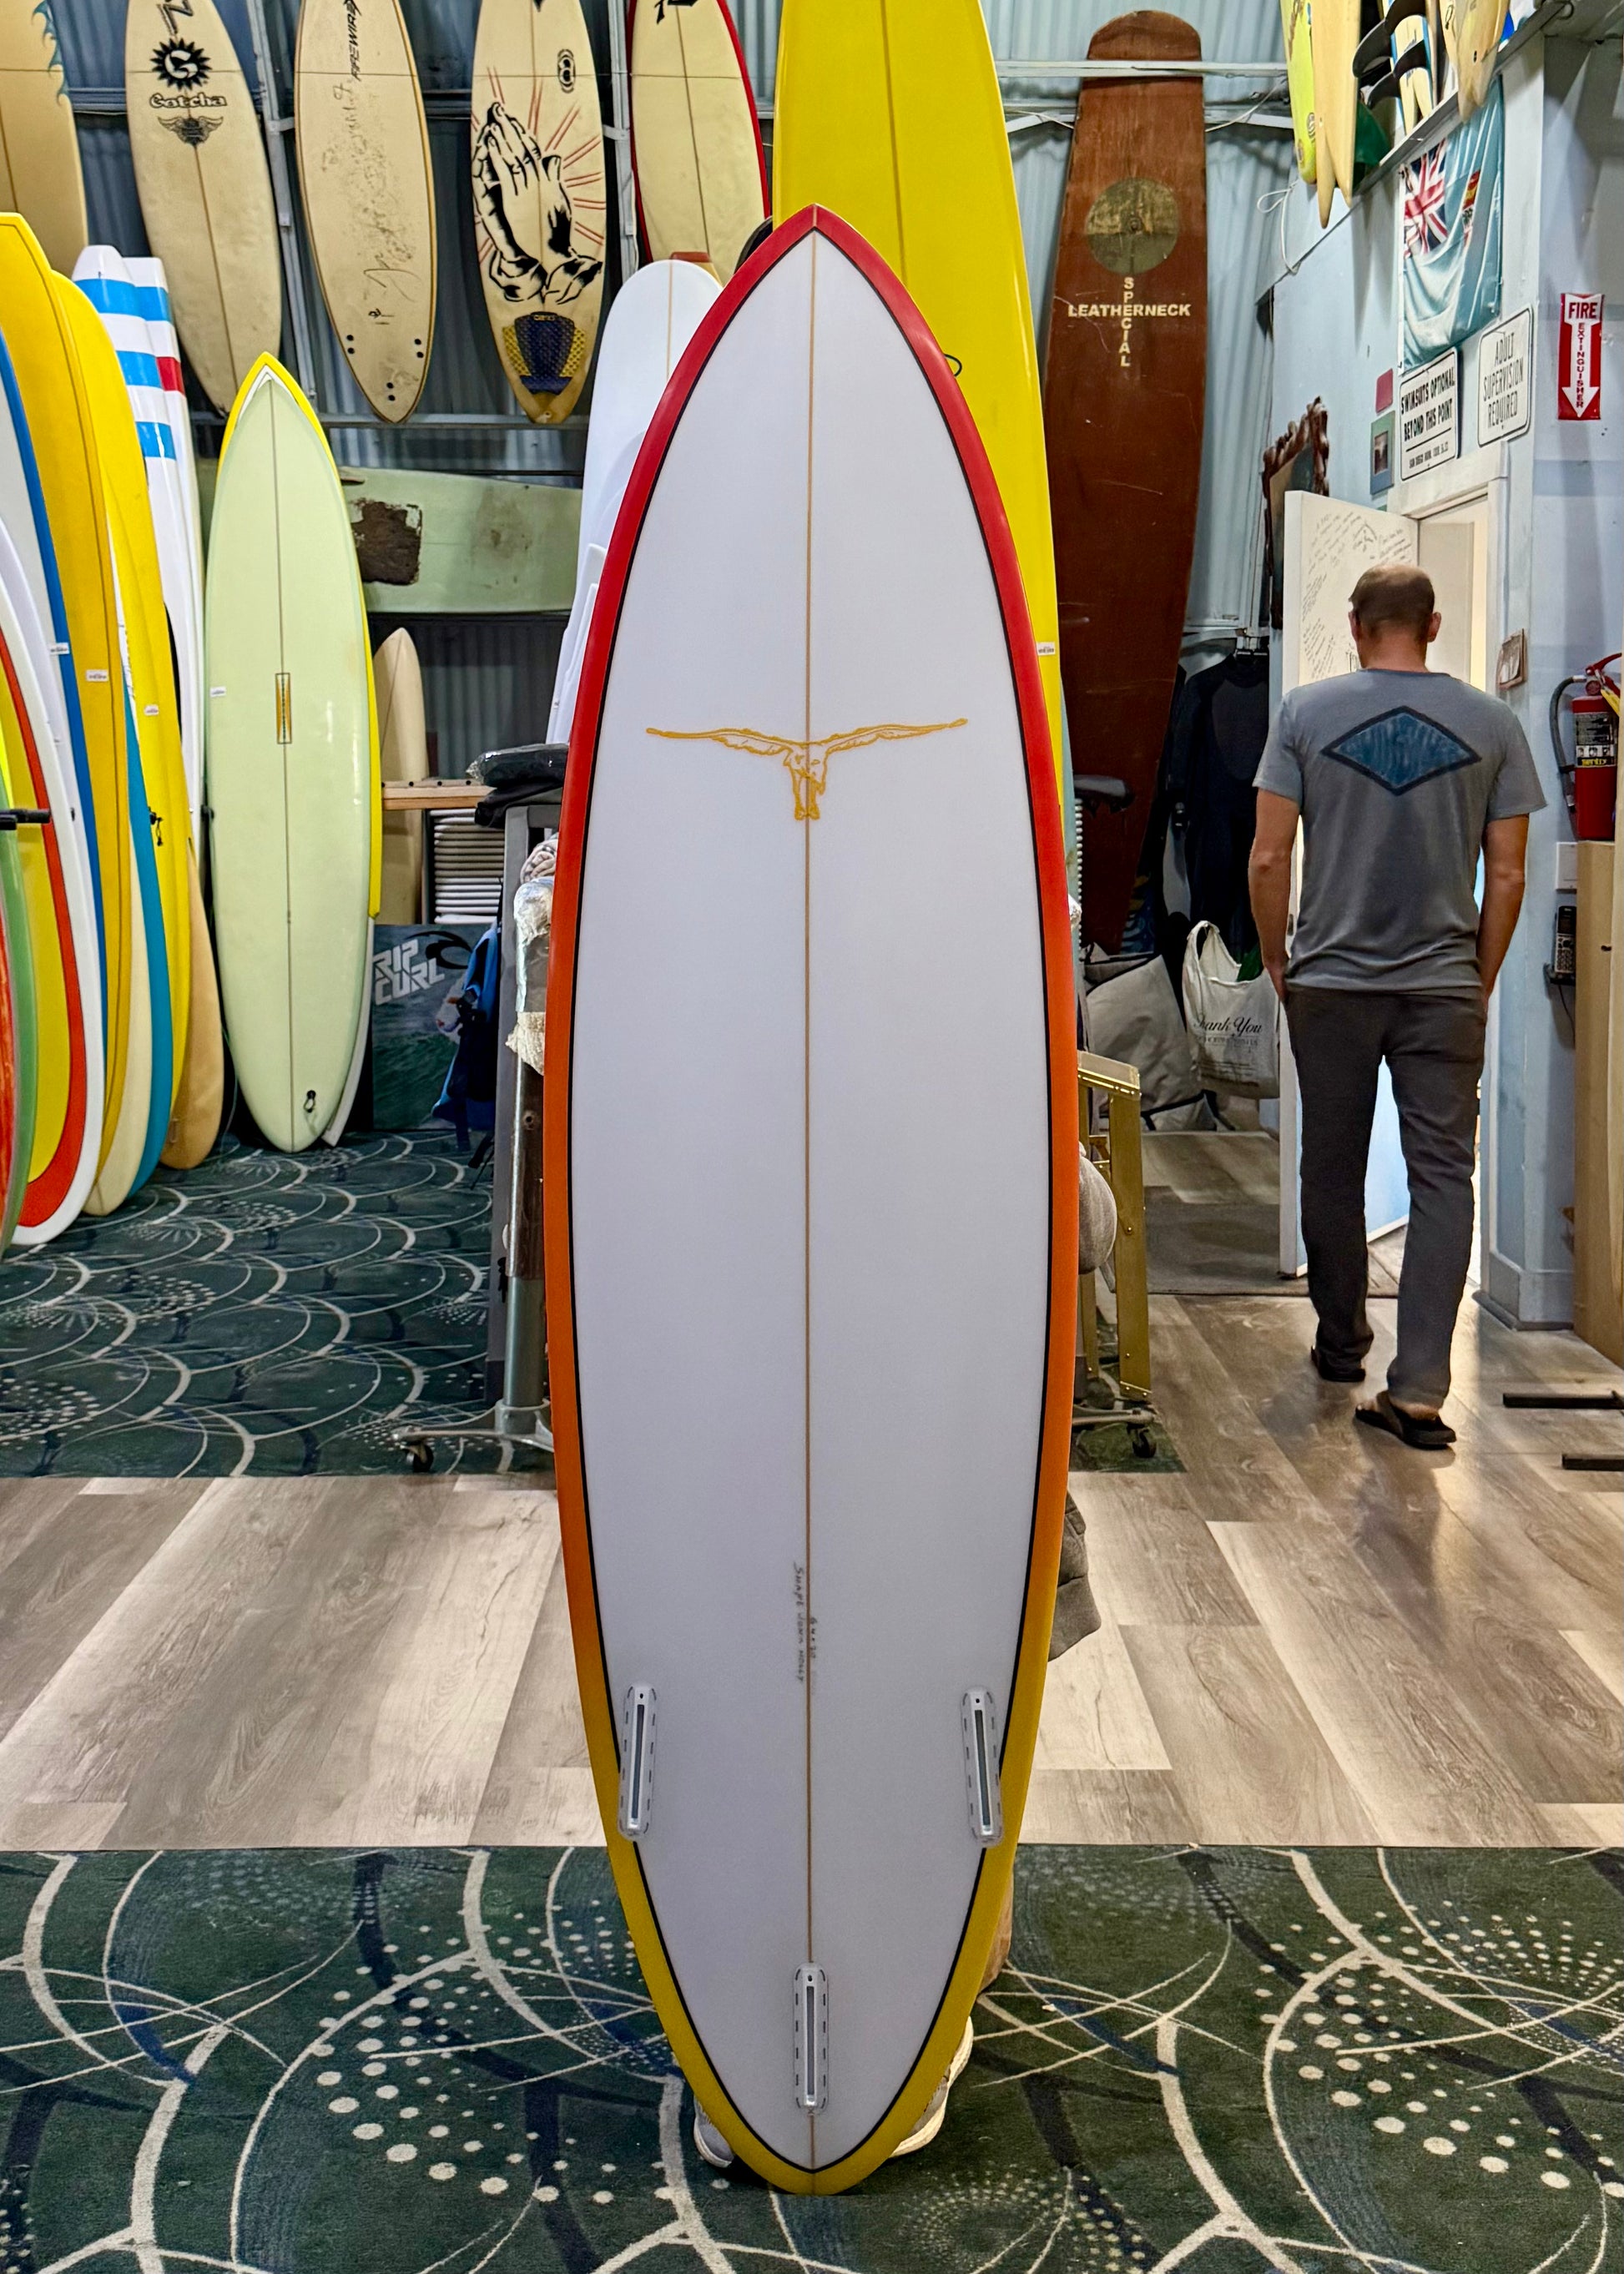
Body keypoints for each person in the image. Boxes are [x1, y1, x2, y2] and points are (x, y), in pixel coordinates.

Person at [1248, 562, 1545, 1448]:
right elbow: (1511, 870)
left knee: (1329, 1168)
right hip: (1443, 985)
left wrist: (1274, 954)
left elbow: (1267, 858)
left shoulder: (1303, 713)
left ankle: (1340, 1345)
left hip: (1330, 983)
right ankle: (1418, 1387)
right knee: (1444, 1176)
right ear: (1433, 622)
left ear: (1352, 625)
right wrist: (1477, 974)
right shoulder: (1491, 723)